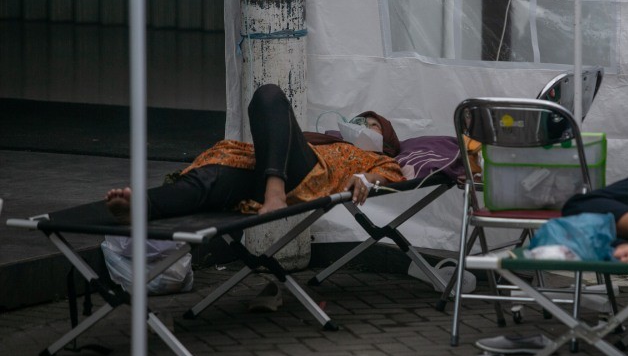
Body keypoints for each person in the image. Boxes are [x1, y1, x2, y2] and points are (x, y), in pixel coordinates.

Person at [105, 83, 406, 223]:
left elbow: (390, 175)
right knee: (210, 178)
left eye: (373, 125)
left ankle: (274, 191)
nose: (363, 125)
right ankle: (142, 207)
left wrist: (365, 178)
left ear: (387, 141)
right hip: (268, 168)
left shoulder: (380, 159)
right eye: (360, 120)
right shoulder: (327, 141)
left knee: (270, 94)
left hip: (307, 175)